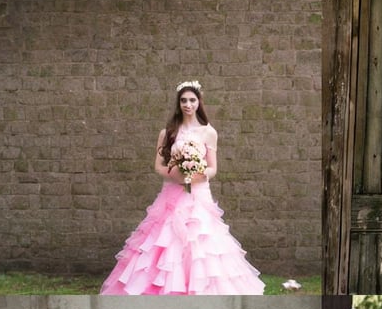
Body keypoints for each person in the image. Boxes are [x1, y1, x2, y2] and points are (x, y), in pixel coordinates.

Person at [100, 81, 266, 295]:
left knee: (201, 243)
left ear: (199, 102)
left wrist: (199, 173)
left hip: (198, 195)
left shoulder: (209, 132)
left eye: (192, 100)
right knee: (165, 241)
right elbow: (158, 166)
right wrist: (177, 173)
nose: (188, 104)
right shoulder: (167, 132)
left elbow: (214, 168)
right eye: (184, 100)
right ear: (179, 103)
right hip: (171, 195)